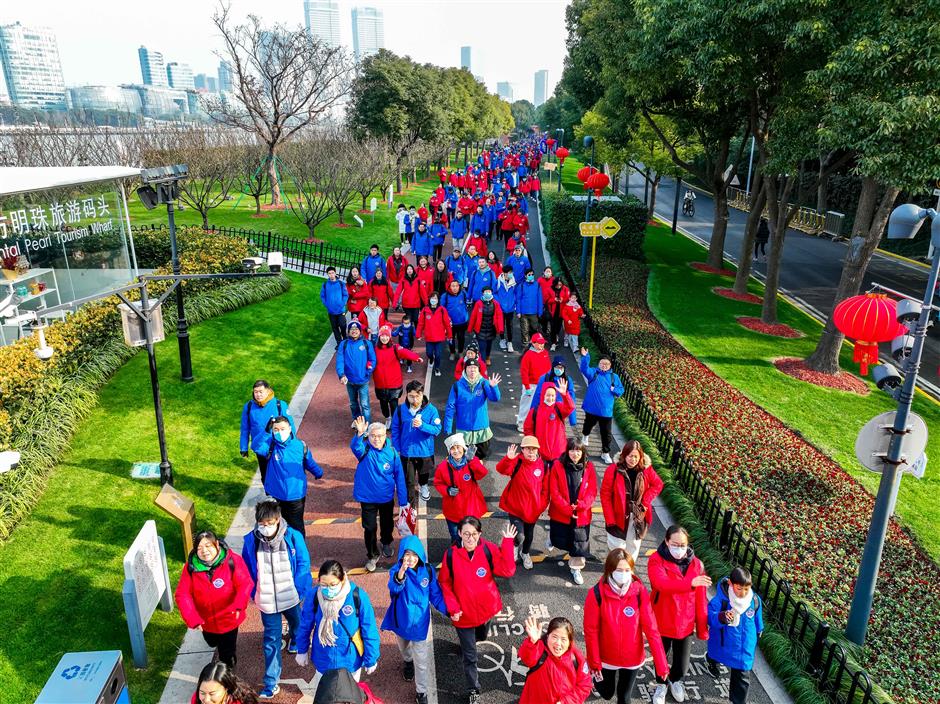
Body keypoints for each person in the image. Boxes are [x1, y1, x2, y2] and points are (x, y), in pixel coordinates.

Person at [438, 516, 518, 704]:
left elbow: (507, 570)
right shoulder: (450, 555)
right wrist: (453, 607)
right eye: (466, 533)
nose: (470, 538)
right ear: (459, 534)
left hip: (485, 610)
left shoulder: (488, 549)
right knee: (470, 656)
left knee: (481, 637)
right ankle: (473, 688)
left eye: (474, 534)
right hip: (463, 615)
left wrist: (507, 543)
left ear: (479, 534)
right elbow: (444, 582)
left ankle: (470, 643)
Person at [242, 499, 312, 700]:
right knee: (271, 641)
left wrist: (299, 589)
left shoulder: (293, 537)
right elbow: (247, 569)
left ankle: (295, 641)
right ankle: (271, 682)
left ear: (278, 520)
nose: (266, 528)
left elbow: (303, 563)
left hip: (290, 596)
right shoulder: (251, 541)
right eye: (262, 524)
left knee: (297, 625)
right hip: (267, 601)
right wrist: (254, 591)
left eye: (270, 523)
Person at [583, 549, 669, 704]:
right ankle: (594, 681)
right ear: (609, 570)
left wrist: (661, 664)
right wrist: (594, 661)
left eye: (627, 570)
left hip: (632, 657)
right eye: (619, 570)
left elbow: (652, 629)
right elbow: (591, 631)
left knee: (624, 697)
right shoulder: (596, 594)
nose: (623, 574)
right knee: (607, 693)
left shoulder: (639, 592)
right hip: (605, 657)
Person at [294, 559, 381, 696]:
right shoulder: (314, 596)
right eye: (324, 585)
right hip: (324, 659)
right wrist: (302, 650)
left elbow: (369, 629)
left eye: (333, 584)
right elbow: (305, 624)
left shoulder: (357, 596)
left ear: (342, 580)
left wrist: (371, 658)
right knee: (324, 696)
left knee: (349, 696)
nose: (328, 589)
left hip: (349, 661)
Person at [381, 536, 449, 704]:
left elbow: (435, 595)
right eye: (406, 554)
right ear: (401, 556)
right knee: (403, 648)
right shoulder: (396, 571)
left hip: (419, 624)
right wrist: (401, 574)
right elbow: (394, 588)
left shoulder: (429, 571)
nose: (410, 558)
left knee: (422, 661)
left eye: (414, 554)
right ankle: (407, 662)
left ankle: (421, 692)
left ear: (420, 555)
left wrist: (449, 610)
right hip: (401, 621)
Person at [648, 525, 711, 704]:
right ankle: (661, 685)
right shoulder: (656, 560)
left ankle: (675, 681)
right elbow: (661, 584)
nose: (679, 548)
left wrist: (702, 627)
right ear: (667, 541)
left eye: (683, 545)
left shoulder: (697, 564)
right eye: (675, 544)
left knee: (682, 665)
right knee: (660, 658)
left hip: (685, 622)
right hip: (662, 618)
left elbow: (700, 599)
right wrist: (690, 583)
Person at [175, 531, 253, 669]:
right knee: (211, 642)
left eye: (208, 546)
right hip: (207, 621)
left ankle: (227, 676)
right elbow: (183, 594)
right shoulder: (191, 568)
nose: (204, 551)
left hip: (229, 618)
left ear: (216, 544)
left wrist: (238, 605)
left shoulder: (232, 561)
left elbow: (245, 584)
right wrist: (192, 618)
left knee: (226, 653)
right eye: (199, 548)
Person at [351, 416, 409, 572]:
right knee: (369, 527)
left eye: (380, 436)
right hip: (367, 498)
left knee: (387, 523)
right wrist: (359, 435)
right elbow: (355, 447)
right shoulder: (364, 449)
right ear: (368, 436)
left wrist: (403, 501)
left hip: (386, 497)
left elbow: (400, 478)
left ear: (385, 436)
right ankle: (372, 554)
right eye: (373, 436)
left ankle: (386, 542)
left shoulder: (392, 453)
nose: (376, 439)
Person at [707, 567, 763, 704]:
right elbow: (709, 618)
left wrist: (759, 629)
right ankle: (711, 661)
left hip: (745, 645)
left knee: (742, 675)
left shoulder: (754, 600)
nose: (743, 593)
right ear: (731, 584)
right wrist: (722, 617)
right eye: (739, 588)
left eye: (746, 589)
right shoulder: (721, 601)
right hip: (724, 641)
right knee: (716, 655)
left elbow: (758, 617)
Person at [259, 415, 324, 534]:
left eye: (282, 429)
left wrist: (318, 473)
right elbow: (256, 447)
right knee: (278, 525)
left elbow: (309, 462)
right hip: (276, 494)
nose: (279, 432)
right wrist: (266, 431)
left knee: (296, 525)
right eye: (276, 430)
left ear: (290, 429)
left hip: (296, 495)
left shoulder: (300, 446)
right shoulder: (270, 445)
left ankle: (298, 549)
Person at [600, 440, 664, 559]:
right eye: (630, 456)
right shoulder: (614, 470)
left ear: (640, 457)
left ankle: (628, 572)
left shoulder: (646, 469)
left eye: (636, 456)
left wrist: (645, 501)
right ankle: (613, 570)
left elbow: (658, 484)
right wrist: (609, 518)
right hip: (617, 516)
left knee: (632, 547)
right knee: (616, 548)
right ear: (624, 455)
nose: (633, 460)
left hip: (637, 516)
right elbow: (605, 495)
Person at [547, 439, 597, 585]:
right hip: (561, 512)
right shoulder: (558, 465)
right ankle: (551, 538)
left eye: (578, 450)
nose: (575, 454)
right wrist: (567, 509)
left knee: (579, 544)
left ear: (583, 452)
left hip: (582, 513)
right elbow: (554, 491)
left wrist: (581, 506)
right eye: (572, 450)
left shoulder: (589, 467)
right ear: (567, 451)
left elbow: (592, 491)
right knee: (560, 536)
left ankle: (576, 568)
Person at [496, 438, 550, 570]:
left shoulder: (543, 465)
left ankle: (525, 553)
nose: (531, 452)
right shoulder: (517, 461)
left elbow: (546, 489)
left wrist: (540, 506)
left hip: (533, 510)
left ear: (537, 450)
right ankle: (515, 547)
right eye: (528, 449)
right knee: (519, 536)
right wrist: (508, 459)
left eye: (534, 449)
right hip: (515, 507)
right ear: (523, 450)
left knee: (529, 535)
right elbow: (502, 470)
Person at [518, 615, 593, 704]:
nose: (558, 643)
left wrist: (566, 701)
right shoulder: (539, 649)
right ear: (547, 636)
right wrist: (532, 643)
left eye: (563, 639)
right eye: (554, 637)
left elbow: (584, 686)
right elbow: (527, 658)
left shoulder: (577, 658)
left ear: (570, 642)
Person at [390, 380, 442, 505]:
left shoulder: (431, 410)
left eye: (417, 396)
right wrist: (397, 447)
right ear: (406, 395)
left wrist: (422, 426)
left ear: (422, 394)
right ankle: (410, 505)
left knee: (424, 473)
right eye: (411, 396)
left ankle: (424, 486)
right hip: (407, 452)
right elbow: (395, 429)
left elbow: (437, 430)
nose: (414, 399)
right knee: (409, 480)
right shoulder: (400, 410)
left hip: (425, 451)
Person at [433, 433, 488, 545]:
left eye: (458, 447)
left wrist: (472, 460)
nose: (456, 451)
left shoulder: (471, 461)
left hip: (470, 509)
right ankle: (458, 554)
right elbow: (438, 483)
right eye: (452, 448)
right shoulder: (443, 467)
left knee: (472, 538)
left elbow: (482, 473)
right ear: (449, 451)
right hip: (452, 510)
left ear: (463, 448)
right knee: (455, 537)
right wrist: (447, 490)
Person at [443, 360, 502, 460]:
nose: (472, 370)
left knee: (482, 456)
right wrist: (447, 427)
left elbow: (495, 398)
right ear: (465, 370)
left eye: (475, 368)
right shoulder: (457, 386)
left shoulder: (484, 383)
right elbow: (450, 407)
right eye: (469, 368)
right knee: (466, 459)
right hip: (464, 430)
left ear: (478, 370)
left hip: (482, 429)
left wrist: (494, 387)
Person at [240, 380, 295, 484]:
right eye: (256, 392)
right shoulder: (248, 407)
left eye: (261, 391)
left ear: (268, 391)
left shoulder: (280, 405)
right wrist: (243, 447)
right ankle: (269, 495)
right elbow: (245, 428)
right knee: (265, 473)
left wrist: (293, 444)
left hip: (279, 446)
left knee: (281, 472)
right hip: (261, 447)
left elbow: (290, 426)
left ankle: (282, 495)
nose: (258, 394)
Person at [579, 348, 625, 465]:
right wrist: (585, 357)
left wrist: (615, 390)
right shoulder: (593, 372)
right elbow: (584, 369)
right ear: (598, 364)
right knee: (588, 424)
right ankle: (585, 436)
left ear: (610, 365)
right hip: (591, 408)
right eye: (601, 363)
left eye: (606, 364)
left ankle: (605, 453)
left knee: (606, 433)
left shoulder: (614, 377)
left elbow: (621, 390)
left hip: (606, 411)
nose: (604, 365)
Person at [373, 326, 422, 425]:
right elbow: (369, 360)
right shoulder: (374, 350)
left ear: (390, 337)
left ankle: (395, 421)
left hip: (394, 383)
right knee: (383, 404)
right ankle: (388, 418)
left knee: (393, 404)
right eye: (382, 336)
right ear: (379, 337)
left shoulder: (395, 348)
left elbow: (406, 352)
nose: (384, 338)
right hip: (380, 383)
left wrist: (416, 358)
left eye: (386, 336)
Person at [523, 379, 575, 462]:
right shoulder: (535, 411)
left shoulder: (558, 407)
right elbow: (528, 429)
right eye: (548, 395)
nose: (550, 398)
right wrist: (532, 446)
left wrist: (565, 395)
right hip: (541, 453)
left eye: (553, 396)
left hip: (559, 452)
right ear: (543, 395)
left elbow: (570, 407)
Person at [337, 321, 376, 427]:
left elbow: (372, 359)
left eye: (356, 330)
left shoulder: (366, 343)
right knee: (353, 403)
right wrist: (341, 374)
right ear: (348, 331)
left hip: (363, 380)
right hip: (349, 380)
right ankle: (357, 421)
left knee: (365, 405)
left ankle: (367, 425)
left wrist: (368, 372)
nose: (354, 331)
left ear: (360, 331)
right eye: (352, 330)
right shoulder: (343, 344)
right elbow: (340, 360)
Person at [516, 332, 550, 432]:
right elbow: (524, 372)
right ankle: (521, 423)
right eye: (539, 343)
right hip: (530, 385)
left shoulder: (545, 353)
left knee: (539, 406)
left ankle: (533, 423)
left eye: (543, 343)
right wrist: (527, 387)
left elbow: (548, 368)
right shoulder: (528, 355)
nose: (541, 345)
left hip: (541, 385)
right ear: (533, 343)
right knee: (526, 405)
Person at [533, 356, 579, 429]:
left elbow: (571, 399)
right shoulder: (545, 378)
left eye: (561, 368)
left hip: (559, 412)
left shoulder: (567, 380)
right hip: (544, 409)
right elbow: (537, 395)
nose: (559, 370)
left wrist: (572, 419)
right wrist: (532, 413)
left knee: (557, 432)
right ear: (553, 367)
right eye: (557, 367)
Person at [416, 292, 452, 378]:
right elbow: (420, 323)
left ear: (438, 300)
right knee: (429, 353)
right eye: (432, 298)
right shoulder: (425, 310)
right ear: (429, 299)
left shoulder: (442, 310)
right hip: (429, 337)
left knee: (438, 354)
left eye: (435, 298)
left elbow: (447, 323)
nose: (433, 300)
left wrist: (449, 335)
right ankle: (431, 359)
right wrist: (418, 334)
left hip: (439, 337)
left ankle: (437, 368)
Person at [466, 285, 504, 364]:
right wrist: (470, 328)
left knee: (488, 346)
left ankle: (487, 357)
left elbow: (499, 316)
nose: (487, 293)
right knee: (482, 347)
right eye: (486, 292)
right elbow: (473, 316)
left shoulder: (495, 304)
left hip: (491, 330)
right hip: (480, 330)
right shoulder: (478, 304)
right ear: (483, 293)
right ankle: (482, 364)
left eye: (489, 292)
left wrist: (500, 329)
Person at [191, 662, 258, 704]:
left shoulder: (241, 701)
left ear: (227, 688)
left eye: (212, 694)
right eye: (202, 693)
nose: (206, 699)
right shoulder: (196, 699)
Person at [515, 269, 544, 349]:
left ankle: (534, 343)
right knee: (524, 329)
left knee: (534, 329)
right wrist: (518, 311)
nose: (531, 276)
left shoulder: (537, 285)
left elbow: (540, 299)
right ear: (525, 276)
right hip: (523, 312)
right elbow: (518, 299)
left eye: (532, 274)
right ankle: (525, 345)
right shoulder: (521, 286)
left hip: (534, 312)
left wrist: (540, 311)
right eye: (529, 275)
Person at [441, 279, 470, 361]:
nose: (455, 288)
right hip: (450, 323)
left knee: (461, 338)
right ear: (449, 287)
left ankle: (461, 352)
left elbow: (468, 300)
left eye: (456, 286)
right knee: (451, 338)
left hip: (462, 322)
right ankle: (452, 352)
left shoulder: (463, 293)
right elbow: (441, 309)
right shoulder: (445, 296)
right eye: (453, 286)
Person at [321, 267, 349, 345]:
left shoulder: (341, 284)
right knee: (335, 327)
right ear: (327, 274)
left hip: (340, 310)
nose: (331, 275)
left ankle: (345, 338)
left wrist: (342, 303)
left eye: (332, 273)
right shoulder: (325, 285)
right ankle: (339, 342)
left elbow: (345, 295)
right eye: (329, 273)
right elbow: (322, 296)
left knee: (343, 325)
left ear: (335, 273)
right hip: (331, 311)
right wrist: (327, 304)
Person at [395, 265, 427, 330]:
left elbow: (423, 292)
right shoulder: (403, 280)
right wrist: (395, 303)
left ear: (413, 270)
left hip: (416, 304)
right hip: (406, 304)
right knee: (409, 319)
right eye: (408, 269)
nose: (409, 270)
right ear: (406, 271)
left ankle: (417, 332)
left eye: (411, 269)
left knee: (415, 319)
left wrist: (426, 303)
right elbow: (398, 292)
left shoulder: (418, 280)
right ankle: (409, 332)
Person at [543, 277, 570, 350]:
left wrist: (562, 299)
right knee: (553, 327)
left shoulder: (565, 289)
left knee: (558, 327)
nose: (559, 286)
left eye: (560, 285)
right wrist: (554, 300)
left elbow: (567, 298)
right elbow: (546, 300)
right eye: (557, 285)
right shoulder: (549, 289)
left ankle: (556, 335)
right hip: (552, 312)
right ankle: (553, 343)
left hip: (561, 311)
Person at [494, 266, 516, 352]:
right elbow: (494, 292)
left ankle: (510, 342)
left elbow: (516, 293)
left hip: (510, 308)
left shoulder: (514, 282)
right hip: (501, 308)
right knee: (501, 325)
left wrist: (514, 303)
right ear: (505, 273)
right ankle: (502, 340)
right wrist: (499, 302)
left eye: (511, 272)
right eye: (509, 272)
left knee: (510, 325)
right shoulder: (498, 281)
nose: (511, 274)